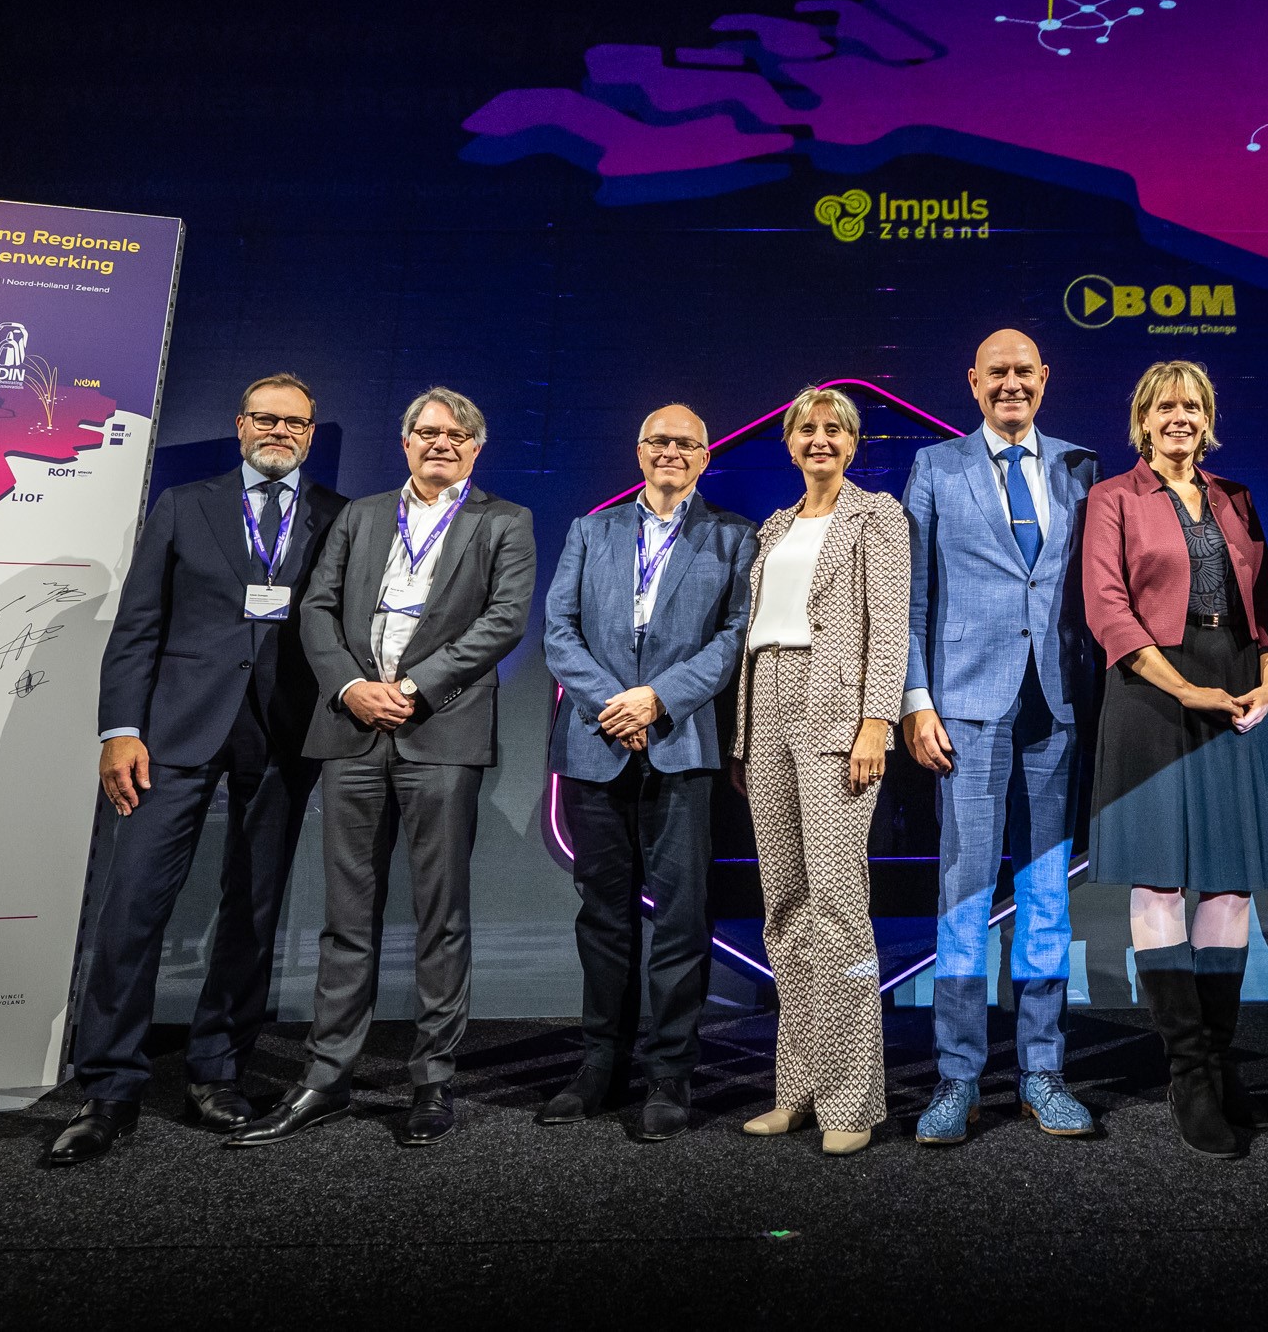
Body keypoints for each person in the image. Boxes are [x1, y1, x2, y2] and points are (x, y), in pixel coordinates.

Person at [43, 376, 349, 1167]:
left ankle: (217, 1071)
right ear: (240, 424)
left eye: (295, 422)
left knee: (252, 909)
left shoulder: (341, 517)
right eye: (266, 418)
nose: (279, 430)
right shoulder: (184, 505)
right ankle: (109, 1087)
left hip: (282, 732)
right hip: (173, 732)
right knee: (132, 905)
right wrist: (120, 728)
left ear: (310, 433)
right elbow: (138, 626)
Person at [231, 387, 533, 1151]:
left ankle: (432, 1080)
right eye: (426, 430)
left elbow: (504, 620)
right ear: (406, 442)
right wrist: (349, 686)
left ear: (476, 447)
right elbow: (316, 609)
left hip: (442, 733)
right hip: (352, 730)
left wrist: (416, 687)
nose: (440, 442)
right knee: (345, 918)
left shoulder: (506, 521)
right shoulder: (361, 516)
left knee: (440, 915)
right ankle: (326, 1077)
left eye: (456, 433)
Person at [1080, 362, 1268, 1158]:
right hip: (1152, 690)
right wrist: (1184, 688)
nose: (1180, 417)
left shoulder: (1236, 496)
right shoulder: (1113, 497)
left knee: (1230, 883)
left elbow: (1264, 605)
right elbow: (1107, 607)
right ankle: (1190, 1076)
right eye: (1166, 406)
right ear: (1142, 418)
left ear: (1208, 418)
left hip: (1234, 678)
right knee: (1161, 880)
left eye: (1193, 406)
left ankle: (1218, 1059)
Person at [900, 328, 1100, 1145]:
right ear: (973, 380)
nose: (1010, 383)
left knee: (1047, 895)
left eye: (1023, 371)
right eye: (996, 373)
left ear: (1044, 378)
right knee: (965, 895)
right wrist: (916, 699)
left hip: (1055, 705)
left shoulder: (1080, 467)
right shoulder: (935, 467)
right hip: (965, 708)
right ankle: (957, 1077)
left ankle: (1042, 1071)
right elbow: (911, 597)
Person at [539, 402, 757, 1141]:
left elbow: (734, 637)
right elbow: (559, 630)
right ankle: (600, 1064)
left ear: (704, 457)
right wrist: (614, 703)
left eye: (686, 443)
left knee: (682, 919)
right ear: (639, 451)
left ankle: (670, 1072)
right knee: (602, 915)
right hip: (596, 743)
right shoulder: (590, 529)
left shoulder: (734, 537)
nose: (672, 452)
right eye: (659, 441)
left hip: (680, 741)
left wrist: (658, 698)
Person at [734, 385, 907, 1157]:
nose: (821, 438)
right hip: (766, 702)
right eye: (807, 428)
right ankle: (797, 1088)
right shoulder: (773, 526)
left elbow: (889, 626)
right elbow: (755, 632)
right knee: (785, 908)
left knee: (837, 907)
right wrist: (742, 736)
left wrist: (876, 721)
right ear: (790, 442)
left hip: (836, 708)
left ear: (853, 442)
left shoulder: (878, 516)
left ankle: (852, 1097)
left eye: (835, 428)